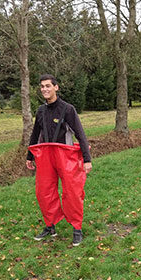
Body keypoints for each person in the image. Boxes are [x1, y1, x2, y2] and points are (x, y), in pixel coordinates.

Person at [26, 74, 92, 246]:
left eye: (48, 86)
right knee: (44, 192)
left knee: (72, 192)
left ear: (56, 87)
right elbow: (35, 134)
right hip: (45, 157)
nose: (45, 89)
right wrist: (29, 156)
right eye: (42, 86)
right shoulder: (40, 111)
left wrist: (87, 159)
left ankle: (77, 228)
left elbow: (80, 134)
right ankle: (50, 226)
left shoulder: (67, 109)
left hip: (65, 156)